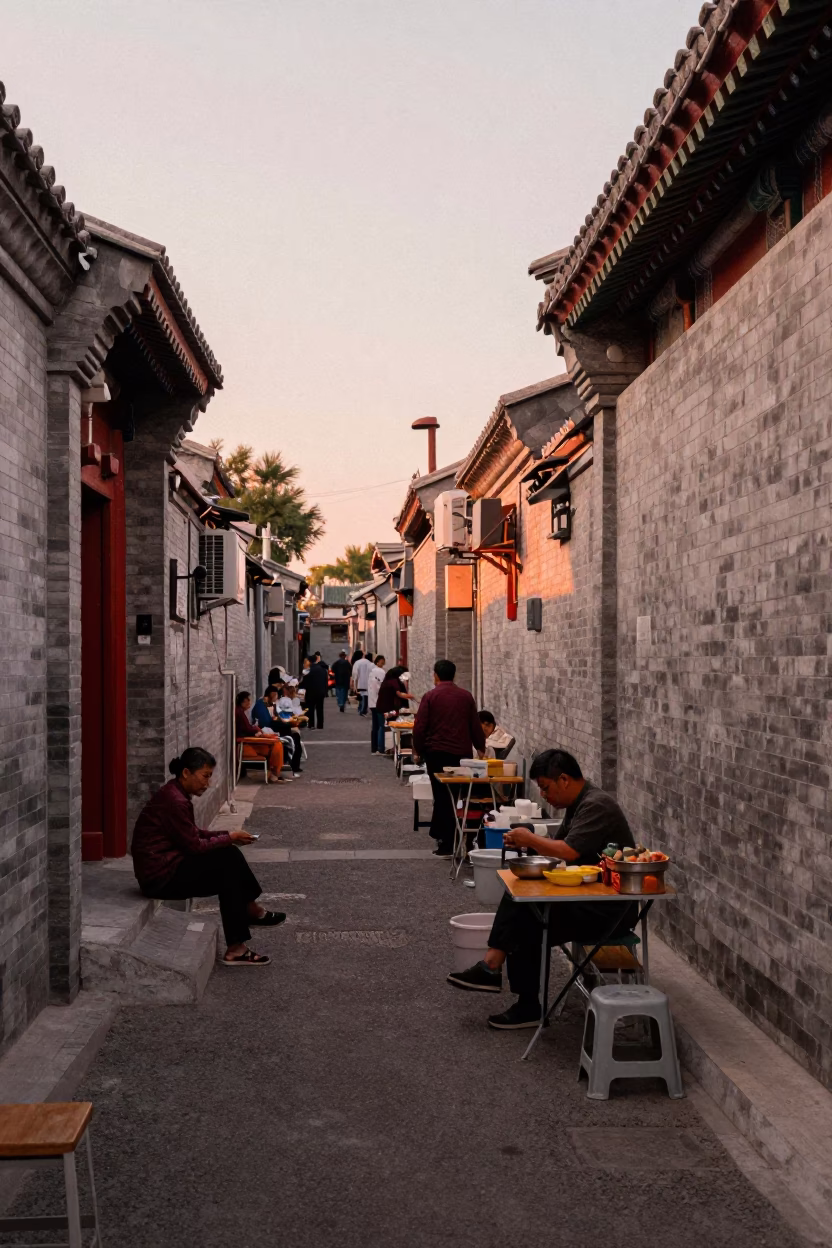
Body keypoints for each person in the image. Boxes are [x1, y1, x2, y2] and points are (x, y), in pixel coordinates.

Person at [447, 748, 637, 1029]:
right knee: (524, 900)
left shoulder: (596, 805)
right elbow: (558, 854)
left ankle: (505, 982)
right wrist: (527, 842)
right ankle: (500, 976)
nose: (544, 795)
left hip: (609, 910)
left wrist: (531, 839)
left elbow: (568, 852)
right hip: (589, 896)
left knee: (529, 919)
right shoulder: (579, 804)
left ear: (563, 779)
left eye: (546, 788)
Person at [132, 747, 283, 966]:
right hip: (160, 878)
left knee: (228, 860)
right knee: (227, 863)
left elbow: (193, 834)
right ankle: (247, 919)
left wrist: (229, 836)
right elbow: (194, 846)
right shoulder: (175, 801)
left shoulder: (175, 794)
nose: (208, 783)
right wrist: (229, 837)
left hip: (169, 867)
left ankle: (242, 933)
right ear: (186, 773)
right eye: (205, 776)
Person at [412, 659, 485, 858]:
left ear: (436, 675)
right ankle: (462, 840)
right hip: (461, 755)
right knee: (458, 796)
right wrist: (480, 747)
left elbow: (419, 727)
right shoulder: (465, 696)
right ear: (454, 675)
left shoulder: (430, 696)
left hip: (436, 754)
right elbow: (475, 724)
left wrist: (417, 749)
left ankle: (446, 842)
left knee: (442, 797)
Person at [235, 690, 291, 783]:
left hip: (249, 740)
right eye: (248, 700)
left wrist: (256, 730)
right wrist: (257, 731)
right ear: (244, 701)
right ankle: (274, 774)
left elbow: (247, 728)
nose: (250, 702)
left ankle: (274, 773)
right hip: (246, 743)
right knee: (277, 745)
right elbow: (246, 730)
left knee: (277, 744)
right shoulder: (239, 712)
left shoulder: (241, 712)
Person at [255, 684, 304, 776]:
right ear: (272, 694)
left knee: (295, 736)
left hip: (274, 727)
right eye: (276, 695)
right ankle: (291, 765)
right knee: (291, 737)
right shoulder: (262, 705)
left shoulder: (270, 704)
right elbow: (265, 722)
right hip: (268, 731)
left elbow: (276, 716)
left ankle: (295, 766)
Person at [375, 664, 415, 754]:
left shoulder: (387, 681)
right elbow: (399, 694)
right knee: (392, 728)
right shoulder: (394, 682)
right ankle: (389, 748)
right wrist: (413, 697)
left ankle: (381, 748)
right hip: (388, 709)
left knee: (382, 727)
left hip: (381, 707)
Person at [299, 655, 328, 729]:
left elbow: (305, 682)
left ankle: (311, 724)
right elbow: (325, 682)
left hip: (311, 692)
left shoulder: (308, 670)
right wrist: (325, 691)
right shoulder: (323, 670)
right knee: (320, 709)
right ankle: (320, 725)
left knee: (310, 709)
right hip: (321, 692)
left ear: (310, 661)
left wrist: (300, 686)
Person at [367, 655, 387, 753]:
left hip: (372, 702)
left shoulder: (372, 671)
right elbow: (381, 687)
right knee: (381, 726)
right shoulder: (380, 672)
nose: (383, 663)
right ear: (378, 661)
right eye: (382, 661)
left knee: (375, 726)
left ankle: (374, 748)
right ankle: (380, 747)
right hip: (378, 702)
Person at [352, 651, 374, 717]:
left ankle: (361, 710)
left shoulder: (357, 662)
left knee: (362, 696)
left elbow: (355, 674)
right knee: (365, 697)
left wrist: (354, 683)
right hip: (368, 683)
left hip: (360, 682)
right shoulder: (370, 664)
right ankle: (363, 710)